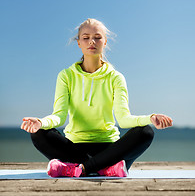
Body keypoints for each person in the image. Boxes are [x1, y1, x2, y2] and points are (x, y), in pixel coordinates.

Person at [21, 18, 173, 178]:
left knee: (146, 132)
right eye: (85, 38)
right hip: (74, 148)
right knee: (38, 133)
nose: (91, 41)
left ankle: (79, 168)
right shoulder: (66, 76)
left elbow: (124, 119)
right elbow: (59, 116)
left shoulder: (116, 77)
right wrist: (40, 122)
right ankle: (103, 168)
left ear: (105, 42)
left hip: (110, 149)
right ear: (78, 43)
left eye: (97, 37)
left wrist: (151, 118)